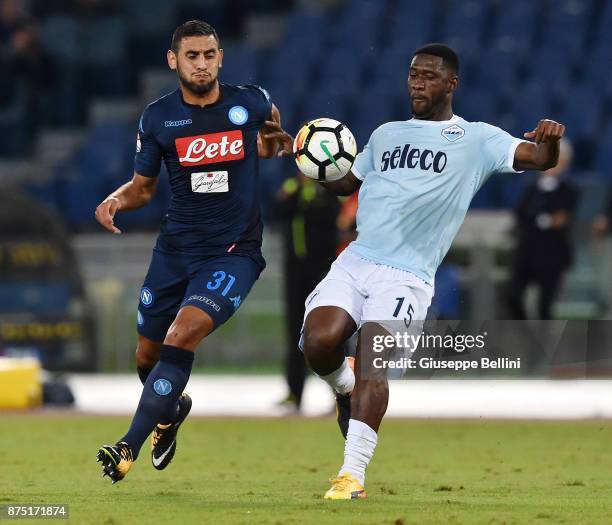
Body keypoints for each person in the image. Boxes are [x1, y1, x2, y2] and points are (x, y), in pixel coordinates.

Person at [271, 43, 565, 499]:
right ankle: (344, 389)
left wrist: (550, 139)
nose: (417, 82)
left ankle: (352, 476)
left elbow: (539, 159)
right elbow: (347, 180)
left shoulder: (478, 139)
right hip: (357, 258)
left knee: (374, 363)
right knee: (318, 342)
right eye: (412, 74)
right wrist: (304, 152)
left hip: (406, 276)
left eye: (428, 75)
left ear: (452, 83)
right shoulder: (387, 134)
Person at [94, 20, 292, 483]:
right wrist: (117, 199)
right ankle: (170, 411)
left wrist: (269, 146)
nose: (201, 64)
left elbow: (269, 139)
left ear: (221, 57)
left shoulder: (253, 101)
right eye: (192, 56)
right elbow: (143, 189)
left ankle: (127, 447)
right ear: (173, 60)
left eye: (209, 55)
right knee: (147, 358)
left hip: (233, 252)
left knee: (181, 336)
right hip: (175, 250)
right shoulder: (158, 118)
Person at [275, 174, 340, 413]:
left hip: (323, 271)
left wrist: (308, 198)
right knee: (294, 333)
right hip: (295, 271)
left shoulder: (329, 190)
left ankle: (341, 394)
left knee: (330, 333)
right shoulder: (291, 187)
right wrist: (299, 195)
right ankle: (294, 395)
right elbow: (279, 211)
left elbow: (331, 220)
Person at [508, 138, 578, 319]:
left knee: (545, 306)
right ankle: (525, 337)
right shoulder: (530, 187)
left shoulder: (569, 190)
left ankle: (541, 344)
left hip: (553, 255)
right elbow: (521, 215)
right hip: (527, 251)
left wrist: (539, 219)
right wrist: (546, 219)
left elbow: (563, 219)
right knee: (513, 297)